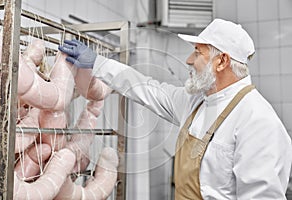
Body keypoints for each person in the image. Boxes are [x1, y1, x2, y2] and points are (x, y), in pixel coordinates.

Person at [59, 18, 292, 199]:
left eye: (198, 52)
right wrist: (98, 63)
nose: (189, 60)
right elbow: (146, 88)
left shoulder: (258, 121)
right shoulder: (197, 102)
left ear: (222, 61)